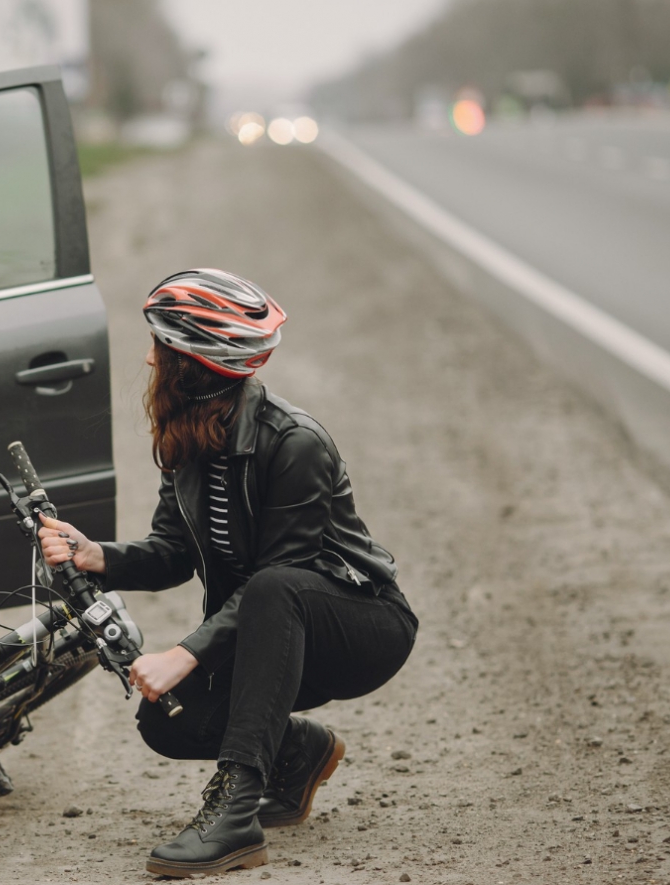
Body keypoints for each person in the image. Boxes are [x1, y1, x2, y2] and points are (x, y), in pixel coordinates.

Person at [37, 269, 418, 878]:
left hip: (359, 625)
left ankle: (236, 813)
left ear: (192, 362)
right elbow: (171, 552)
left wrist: (185, 653)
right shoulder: (190, 434)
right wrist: (96, 555)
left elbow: (285, 576)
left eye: (160, 347)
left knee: (274, 586)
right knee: (165, 721)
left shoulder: (294, 444)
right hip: (272, 628)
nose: (149, 358)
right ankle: (298, 753)